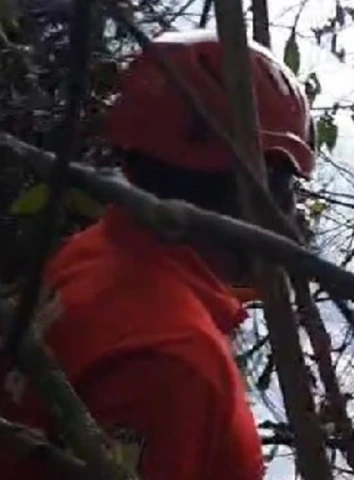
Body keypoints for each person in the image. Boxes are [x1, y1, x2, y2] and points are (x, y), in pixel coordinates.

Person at [0, 28, 316, 479]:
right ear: (249, 189)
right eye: (286, 192)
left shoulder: (99, 250)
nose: (290, 217)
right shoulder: (176, 363)